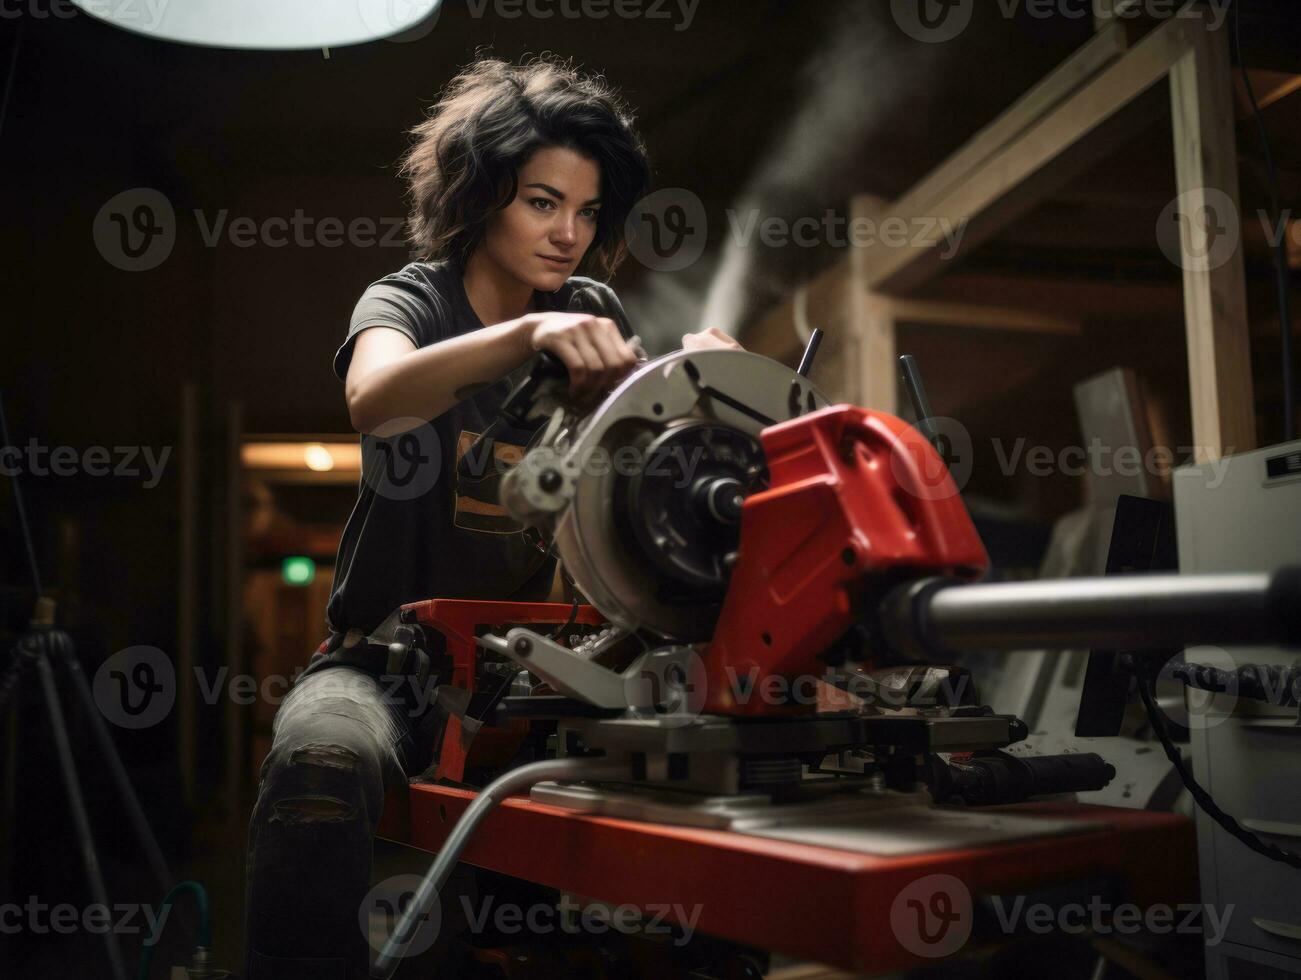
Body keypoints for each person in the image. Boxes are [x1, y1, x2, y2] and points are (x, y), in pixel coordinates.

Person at [242, 56, 741, 979]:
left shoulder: (589, 308)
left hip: (533, 679)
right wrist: (522, 336)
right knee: (319, 764)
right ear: (480, 197)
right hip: (379, 664)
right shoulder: (408, 300)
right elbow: (372, 397)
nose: (569, 234)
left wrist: (716, 391)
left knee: (684, 804)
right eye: (543, 203)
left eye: (588, 213)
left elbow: (639, 461)